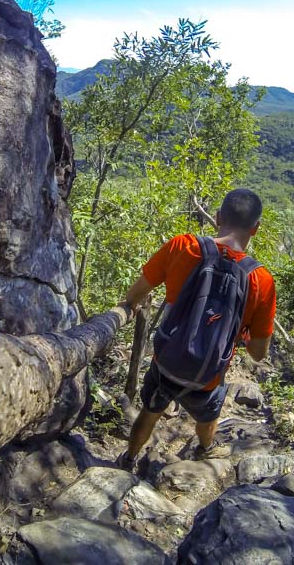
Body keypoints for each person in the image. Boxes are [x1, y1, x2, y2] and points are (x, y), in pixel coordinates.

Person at [116, 188, 276, 470]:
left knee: (150, 412)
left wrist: (128, 305)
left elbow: (138, 292)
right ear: (256, 229)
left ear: (216, 218)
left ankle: (128, 459)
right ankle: (205, 448)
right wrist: (243, 329)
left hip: (166, 362)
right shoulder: (261, 280)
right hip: (208, 376)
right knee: (207, 416)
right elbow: (258, 354)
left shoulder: (182, 246)